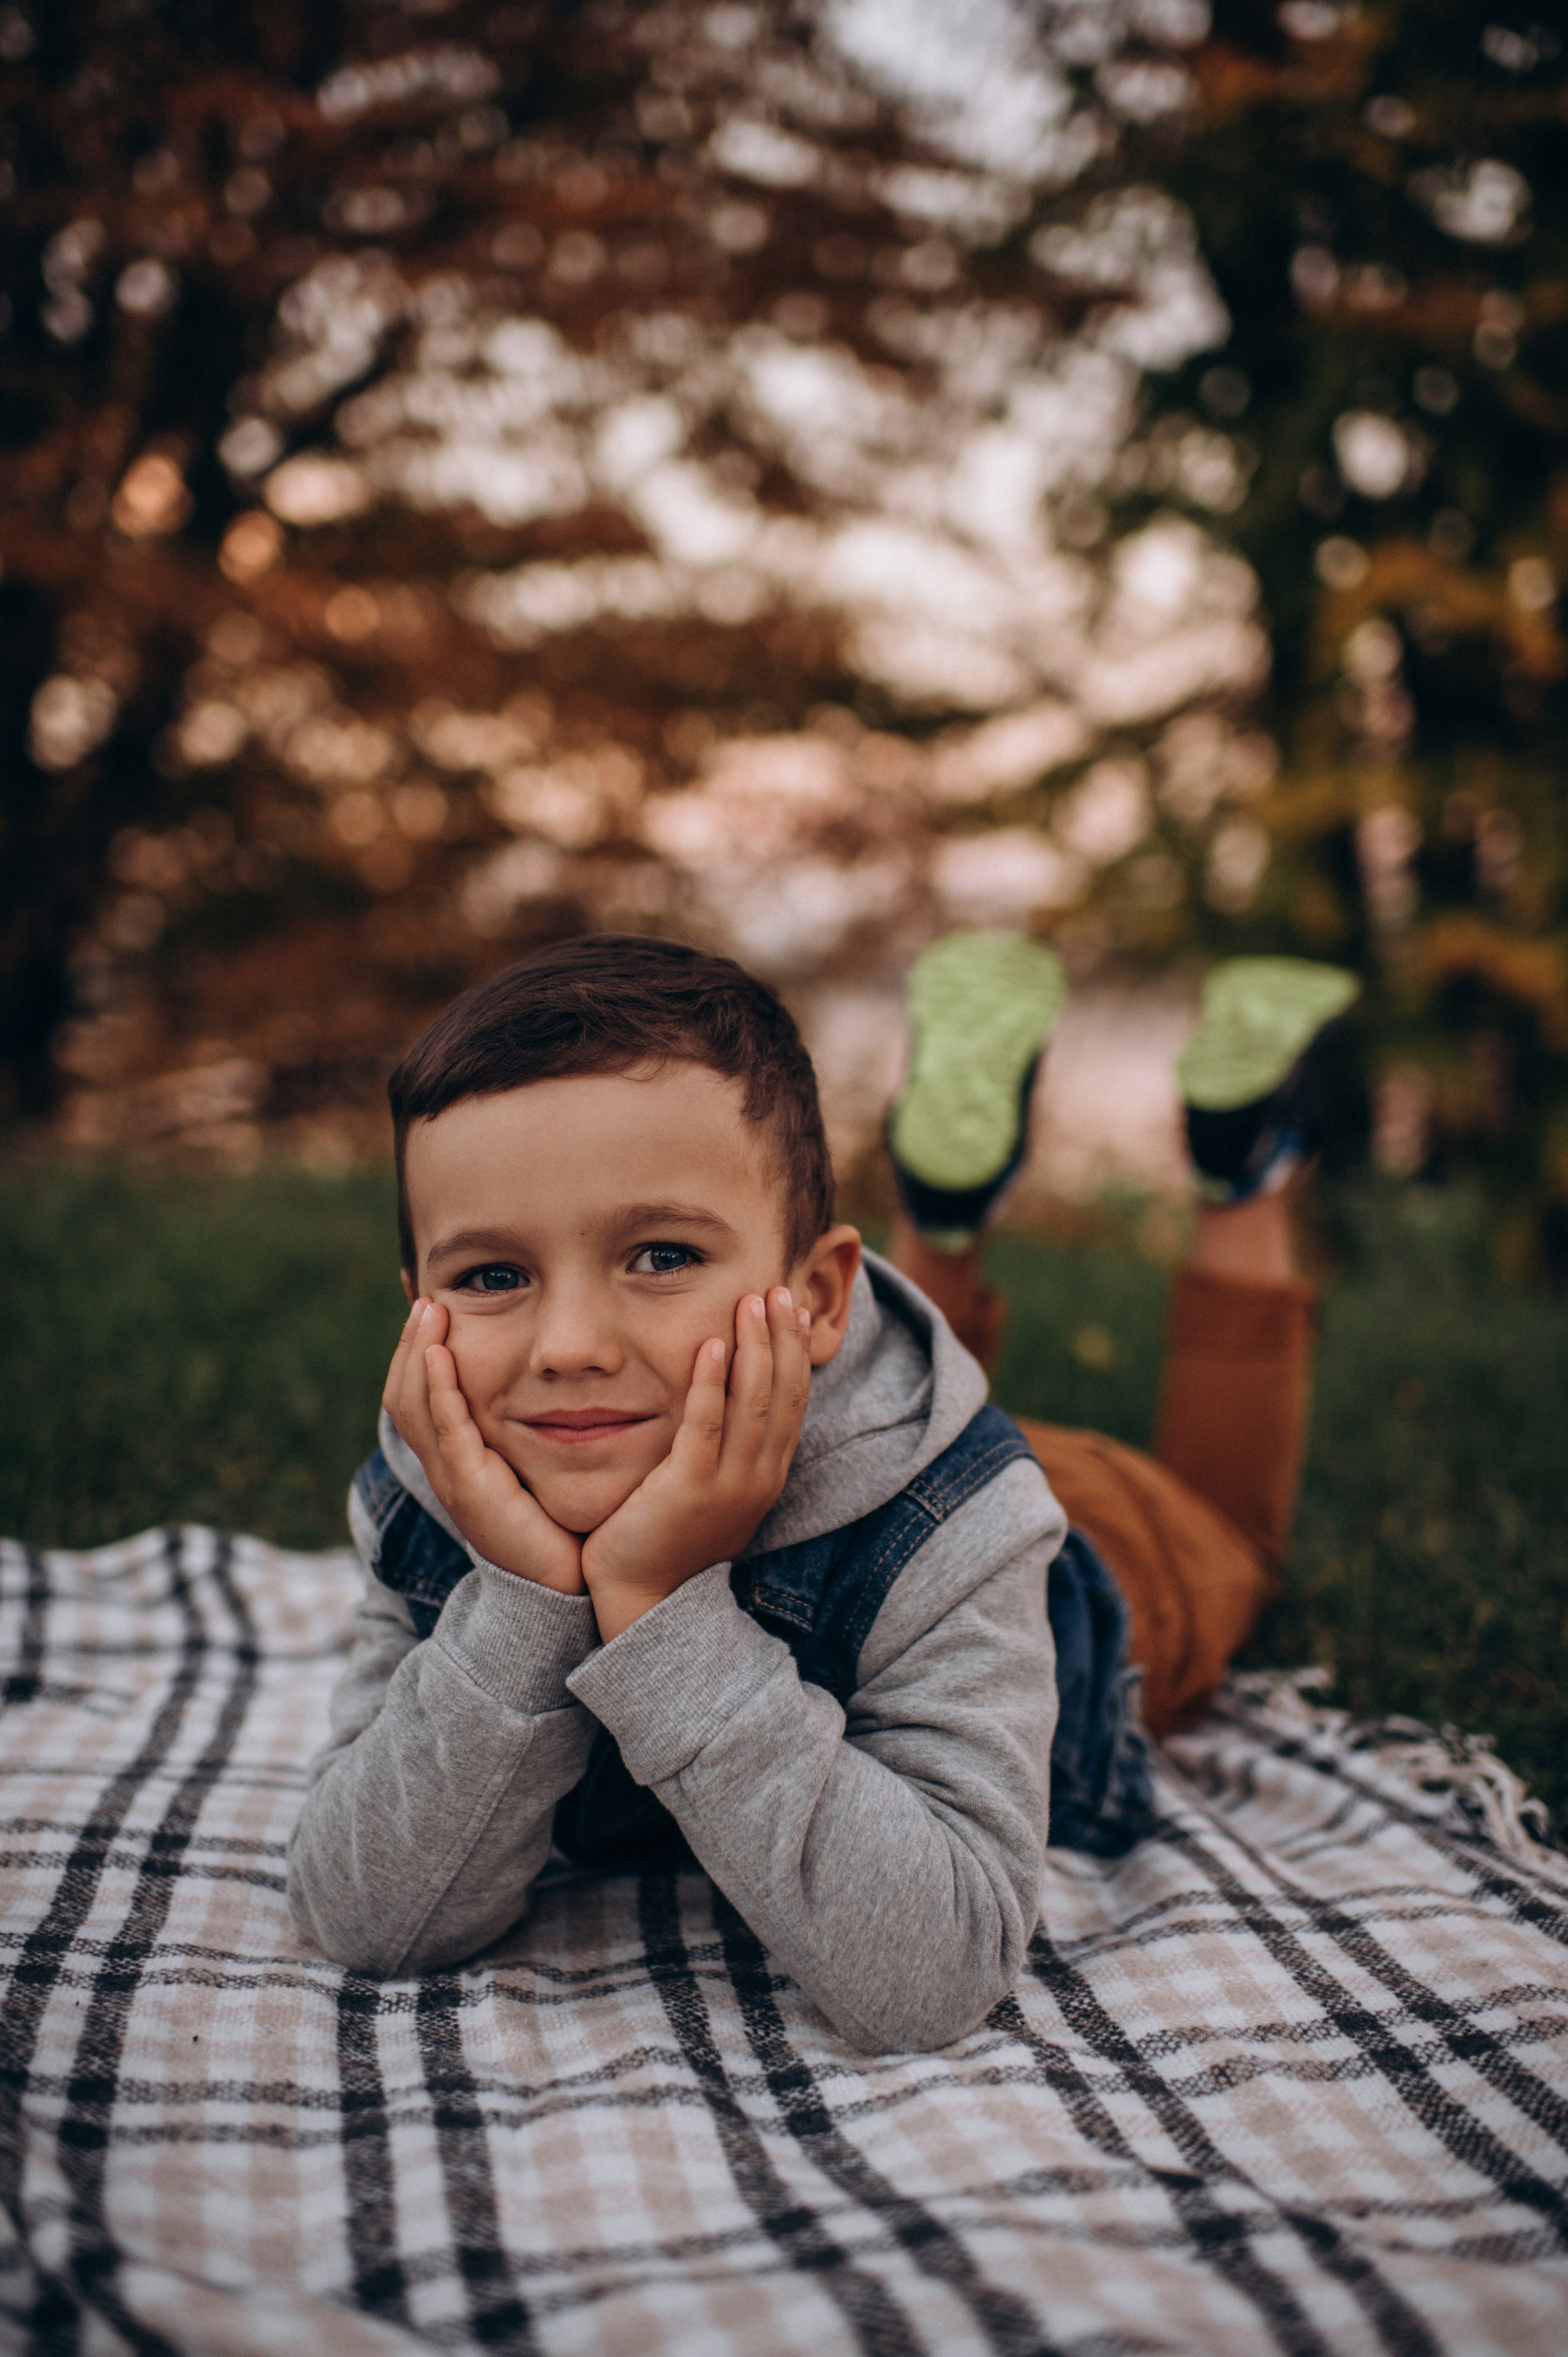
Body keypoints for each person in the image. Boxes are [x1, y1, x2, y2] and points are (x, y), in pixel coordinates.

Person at [287, 932, 1356, 2054]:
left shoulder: (966, 1528)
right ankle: (958, 1210)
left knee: (1235, 1533)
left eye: (658, 1256)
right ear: (419, 1308)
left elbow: (938, 1973)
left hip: (1088, 1532)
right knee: (874, 1390)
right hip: (852, 1427)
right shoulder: (428, 1493)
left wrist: (653, 1601)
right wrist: (521, 1598)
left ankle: (1242, 1165)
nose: (568, 1347)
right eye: (493, 1276)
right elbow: (364, 1916)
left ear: (820, 1296)